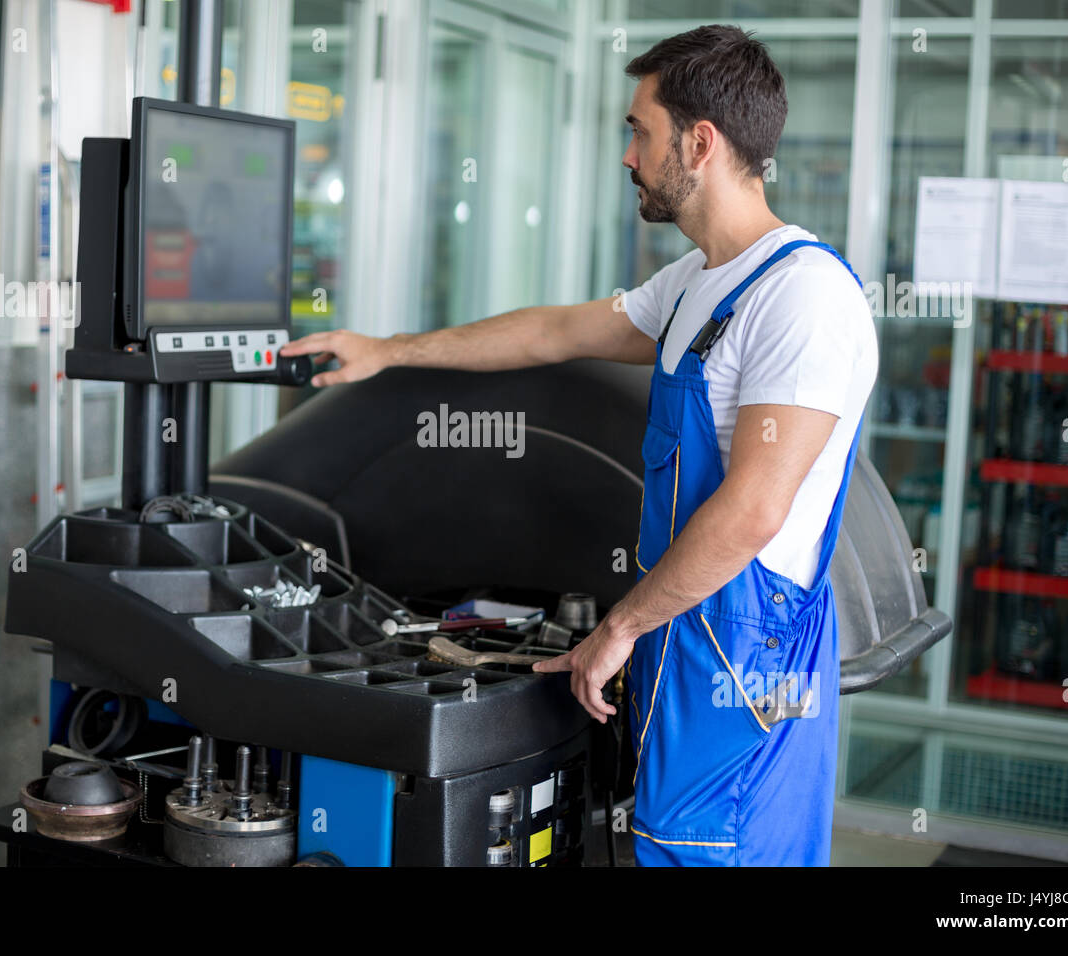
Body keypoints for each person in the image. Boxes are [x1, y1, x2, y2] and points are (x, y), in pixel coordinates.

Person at [279, 24, 878, 866]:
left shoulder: (802, 298)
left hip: (744, 657)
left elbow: (752, 511)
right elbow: (555, 332)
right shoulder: (706, 280)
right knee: (668, 840)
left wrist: (619, 629)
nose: (628, 154)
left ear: (699, 143)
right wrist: (387, 350)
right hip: (691, 633)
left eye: (640, 130)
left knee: (716, 847)